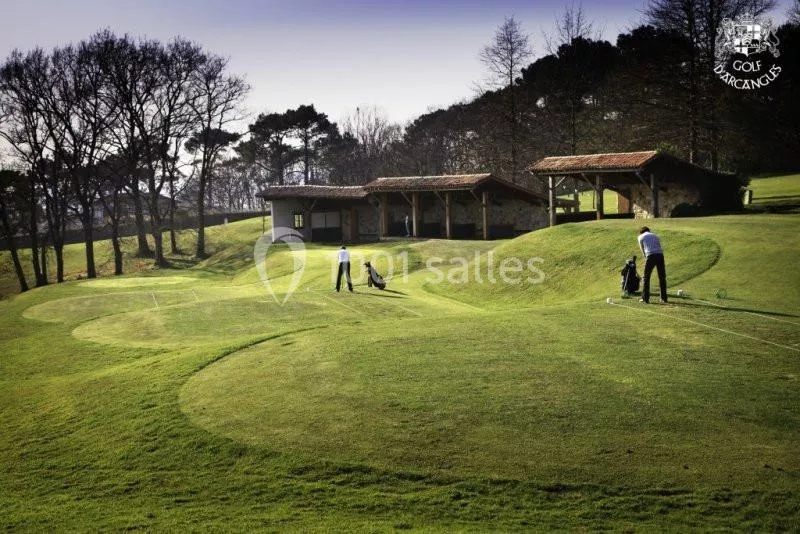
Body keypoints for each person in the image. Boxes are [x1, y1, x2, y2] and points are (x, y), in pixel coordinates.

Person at [637, 226, 667, 304]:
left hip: (650, 255)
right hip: (660, 255)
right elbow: (659, 246)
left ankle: (645, 298)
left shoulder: (640, 236)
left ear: (641, 232)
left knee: (646, 277)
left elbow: (642, 249)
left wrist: (645, 257)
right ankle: (664, 298)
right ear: (649, 231)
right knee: (662, 277)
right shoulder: (655, 235)